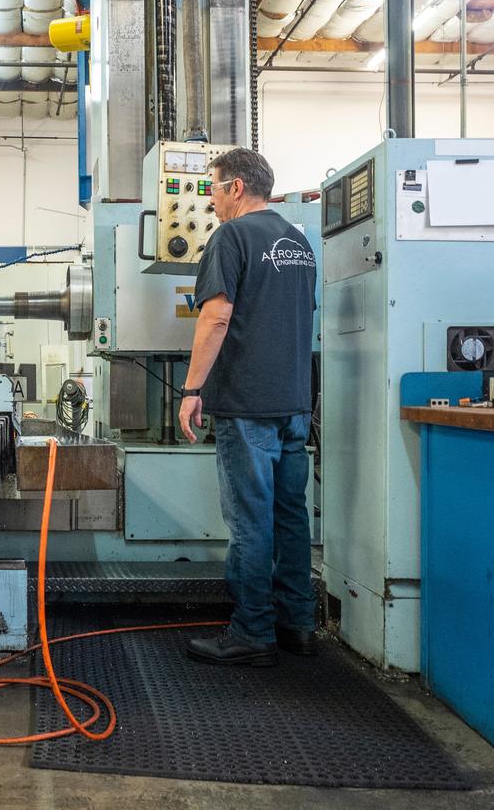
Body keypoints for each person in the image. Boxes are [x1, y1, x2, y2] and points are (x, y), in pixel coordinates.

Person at [178, 148, 317, 667]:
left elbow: (216, 319)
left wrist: (191, 391)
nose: (208, 198)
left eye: (211, 186)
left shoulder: (230, 237)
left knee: (250, 518)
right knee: (290, 514)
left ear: (237, 187)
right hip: (294, 402)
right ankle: (297, 624)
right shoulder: (299, 242)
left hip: (248, 403)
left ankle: (252, 631)